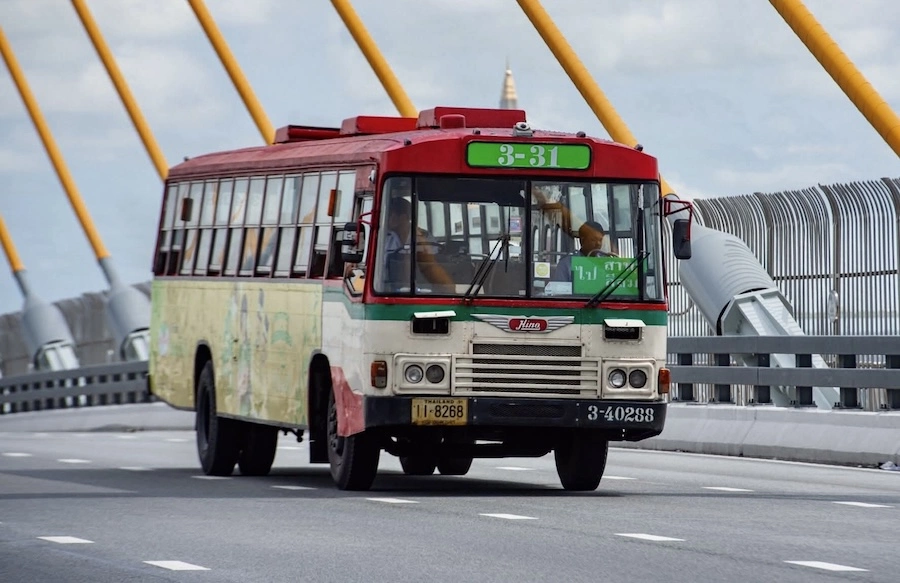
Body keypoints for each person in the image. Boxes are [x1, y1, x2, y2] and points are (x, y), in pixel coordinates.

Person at [382, 195, 453, 291]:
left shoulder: (424, 238)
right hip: (390, 290)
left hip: (424, 289)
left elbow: (433, 267)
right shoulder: (385, 239)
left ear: (403, 218)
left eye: (390, 215)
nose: (386, 219)